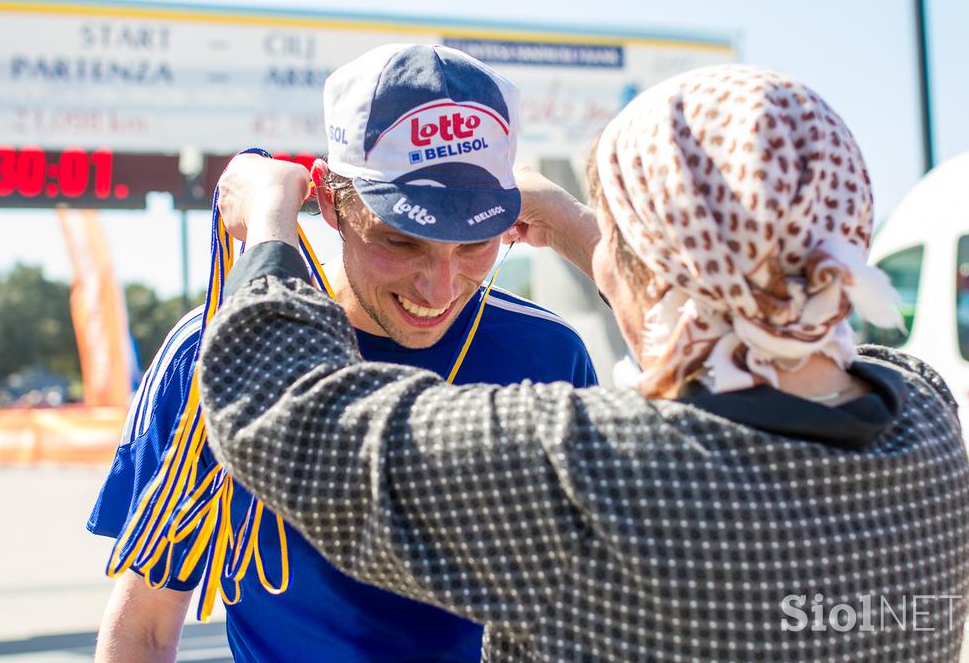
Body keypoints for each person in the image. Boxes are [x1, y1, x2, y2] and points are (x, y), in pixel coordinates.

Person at [199, 64, 969, 662]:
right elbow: (756, 334)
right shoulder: (926, 423)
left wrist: (270, 227)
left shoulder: (588, 474)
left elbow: (287, 414)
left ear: (656, 274)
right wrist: (584, 229)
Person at [87, 44, 598, 662]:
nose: (439, 289)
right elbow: (145, 624)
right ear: (329, 200)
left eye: (473, 244)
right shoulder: (213, 352)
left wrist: (573, 222)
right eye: (401, 241)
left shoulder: (549, 355)